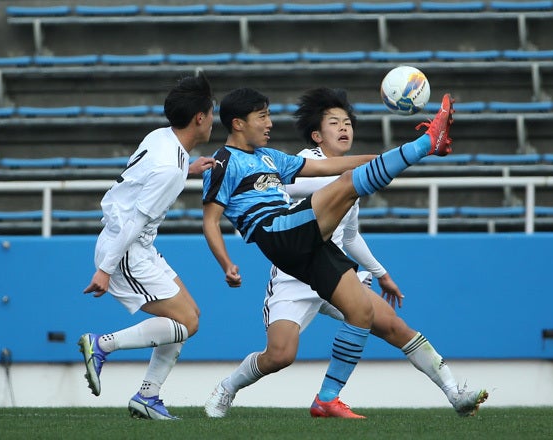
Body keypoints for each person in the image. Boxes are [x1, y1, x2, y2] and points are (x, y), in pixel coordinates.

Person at [203, 88, 488, 419]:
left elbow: (350, 228)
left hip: (316, 249)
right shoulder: (225, 163)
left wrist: (397, 158)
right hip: (283, 241)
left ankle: (448, 393)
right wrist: (226, 264)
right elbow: (211, 219)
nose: (269, 123)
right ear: (238, 123)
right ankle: (227, 388)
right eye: (262, 116)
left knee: (367, 316)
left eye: (347, 122)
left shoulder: (271, 157)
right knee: (280, 354)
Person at [77, 74, 216, 420]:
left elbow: (149, 179)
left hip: (134, 246)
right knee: (186, 322)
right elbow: (135, 220)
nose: (214, 119)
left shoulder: (164, 139)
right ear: (200, 117)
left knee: (190, 316)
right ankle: (101, 345)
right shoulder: (171, 166)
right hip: (125, 251)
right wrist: (105, 270)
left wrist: (189, 170)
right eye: (212, 112)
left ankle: (147, 397)